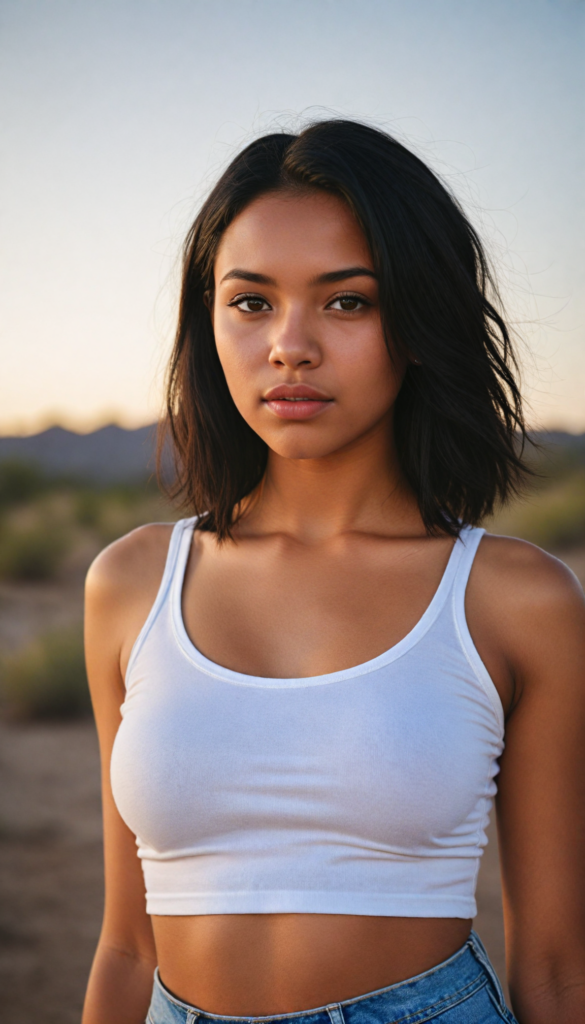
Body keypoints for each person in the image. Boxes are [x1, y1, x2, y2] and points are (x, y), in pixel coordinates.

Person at [82, 120, 585, 1024]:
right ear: (210, 321)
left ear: (421, 323)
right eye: (250, 302)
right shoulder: (130, 584)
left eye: (346, 302)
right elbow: (126, 945)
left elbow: (554, 967)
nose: (290, 346)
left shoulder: (516, 600)